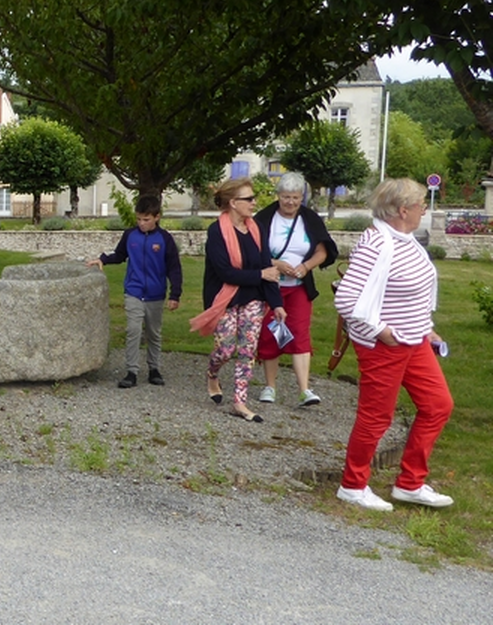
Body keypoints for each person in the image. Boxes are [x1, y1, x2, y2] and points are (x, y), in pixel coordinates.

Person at [333, 178, 454, 511]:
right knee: (376, 417)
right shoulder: (377, 243)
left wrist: (427, 329)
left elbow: (414, 296)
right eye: (420, 205)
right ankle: (353, 486)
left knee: (438, 405)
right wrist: (380, 330)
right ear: (403, 210)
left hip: (415, 342)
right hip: (384, 346)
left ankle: (410, 484)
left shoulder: (406, 240)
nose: (424, 210)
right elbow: (346, 299)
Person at [191, 177, 285, 423]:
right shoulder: (216, 231)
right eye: (249, 199)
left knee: (247, 350)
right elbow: (224, 272)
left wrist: (276, 304)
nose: (254, 203)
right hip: (224, 298)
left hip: (253, 298)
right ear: (233, 202)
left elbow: (268, 268)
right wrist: (259, 274)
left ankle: (239, 402)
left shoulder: (256, 229)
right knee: (225, 349)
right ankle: (213, 373)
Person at [253, 173, 338, 407]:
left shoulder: (310, 219)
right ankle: (270, 386)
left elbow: (322, 251)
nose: (290, 202)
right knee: (271, 333)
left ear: (302, 197)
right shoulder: (263, 218)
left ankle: (304, 389)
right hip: (271, 287)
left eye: (296, 197)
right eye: (286, 197)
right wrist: (276, 264)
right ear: (278, 196)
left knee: (299, 334)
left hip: (299, 287)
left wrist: (305, 267)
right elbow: (252, 253)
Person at [87, 195, 182, 389]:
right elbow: (120, 255)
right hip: (134, 291)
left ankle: (154, 369)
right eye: (138, 219)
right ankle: (131, 371)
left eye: (146, 219)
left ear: (157, 217)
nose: (141, 223)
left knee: (154, 334)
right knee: (133, 330)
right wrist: (103, 259)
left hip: (156, 294)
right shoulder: (130, 235)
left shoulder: (165, 239)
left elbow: (174, 268)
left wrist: (175, 295)